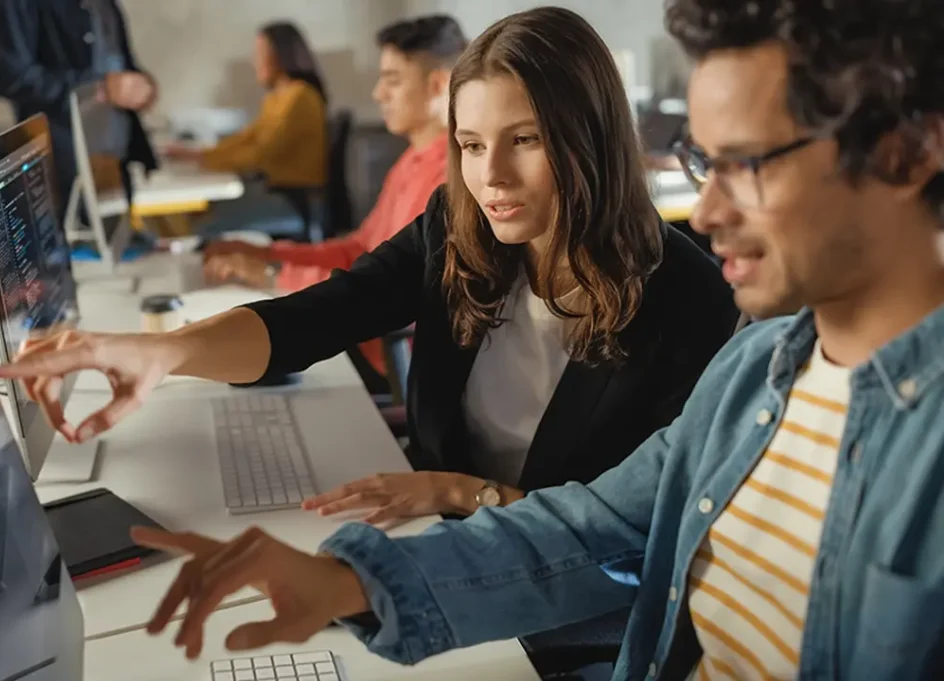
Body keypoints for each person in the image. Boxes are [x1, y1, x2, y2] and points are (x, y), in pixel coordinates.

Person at [100, 1, 944, 678]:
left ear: (909, 154)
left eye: (748, 165)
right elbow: (595, 529)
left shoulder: (708, 313)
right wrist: (344, 582)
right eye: (703, 164)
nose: (711, 212)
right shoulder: (759, 370)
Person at [0, 3, 766, 672]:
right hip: (434, 551)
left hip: (560, 606)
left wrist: (460, 492)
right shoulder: (461, 227)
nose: (489, 175)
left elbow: (637, 542)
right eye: (468, 144)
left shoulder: (688, 300)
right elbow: (320, 315)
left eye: (524, 141)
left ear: (589, 138)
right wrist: (164, 353)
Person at [203, 15, 466, 379]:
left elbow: (385, 292)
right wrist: (265, 253)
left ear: (437, 85)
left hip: (384, 356)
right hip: (359, 334)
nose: (377, 94)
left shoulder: (446, 180)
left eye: (392, 80)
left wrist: (271, 273)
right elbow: (359, 250)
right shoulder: (411, 159)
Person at [0, 0, 158, 204]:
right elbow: (7, 76)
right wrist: (97, 88)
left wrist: (143, 87)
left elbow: (116, 61)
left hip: (112, 168)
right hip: (62, 173)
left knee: (118, 233)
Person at [166, 22, 328, 237]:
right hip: (277, 192)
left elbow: (261, 153)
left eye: (261, 53)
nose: (255, 61)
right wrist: (199, 155)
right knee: (198, 215)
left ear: (281, 55)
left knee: (203, 225)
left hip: (295, 201)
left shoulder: (299, 97)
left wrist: (204, 159)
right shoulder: (276, 98)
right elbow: (246, 138)